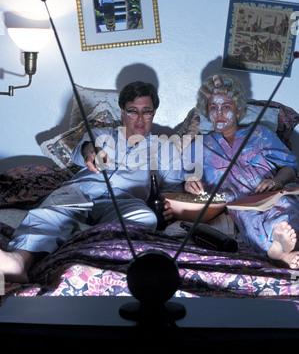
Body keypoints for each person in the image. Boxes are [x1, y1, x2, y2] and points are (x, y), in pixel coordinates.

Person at [0, 81, 184, 283]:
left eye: (146, 111)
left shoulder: (166, 148)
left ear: (154, 113)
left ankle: (83, 248)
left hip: (125, 200)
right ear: (123, 111)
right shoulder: (101, 135)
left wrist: (168, 206)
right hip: (80, 191)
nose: (140, 119)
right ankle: (18, 261)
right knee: (50, 213)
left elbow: (173, 192)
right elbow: (83, 150)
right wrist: (90, 151)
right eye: (133, 111)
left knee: (146, 217)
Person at [183, 73, 299, 270]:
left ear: (238, 110)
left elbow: (290, 168)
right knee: (247, 219)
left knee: (286, 206)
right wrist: (189, 184)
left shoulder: (261, 134)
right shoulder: (198, 147)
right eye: (213, 107)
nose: (219, 113)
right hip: (238, 202)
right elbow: (187, 182)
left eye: (226, 107)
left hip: (270, 193)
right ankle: (278, 252)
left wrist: (278, 181)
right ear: (207, 112)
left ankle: (281, 243)